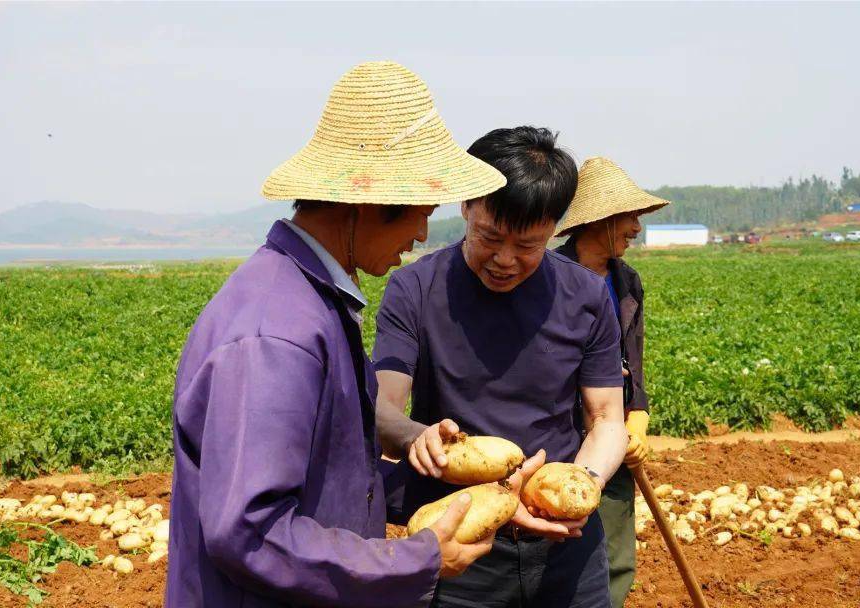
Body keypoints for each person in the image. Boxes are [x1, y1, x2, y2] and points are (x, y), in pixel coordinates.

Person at [165, 61, 539, 607]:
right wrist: (419, 559)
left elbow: (332, 487)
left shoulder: (311, 301)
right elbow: (252, 532)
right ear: (366, 202)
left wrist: (492, 495)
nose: (418, 235)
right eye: (419, 213)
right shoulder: (277, 332)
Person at [374, 127, 629, 608]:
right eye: (489, 237)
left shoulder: (588, 297)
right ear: (466, 206)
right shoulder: (414, 290)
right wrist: (415, 436)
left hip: (566, 548)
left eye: (529, 245)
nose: (505, 260)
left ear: (554, 228)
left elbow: (605, 420)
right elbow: (383, 408)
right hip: (464, 544)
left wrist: (583, 485)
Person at [553, 156, 671, 607]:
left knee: (617, 558)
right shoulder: (550, 278)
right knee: (565, 549)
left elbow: (633, 364)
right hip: (565, 436)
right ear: (600, 221)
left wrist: (636, 419)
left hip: (615, 435)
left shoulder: (627, 282)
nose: (637, 228)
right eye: (630, 217)